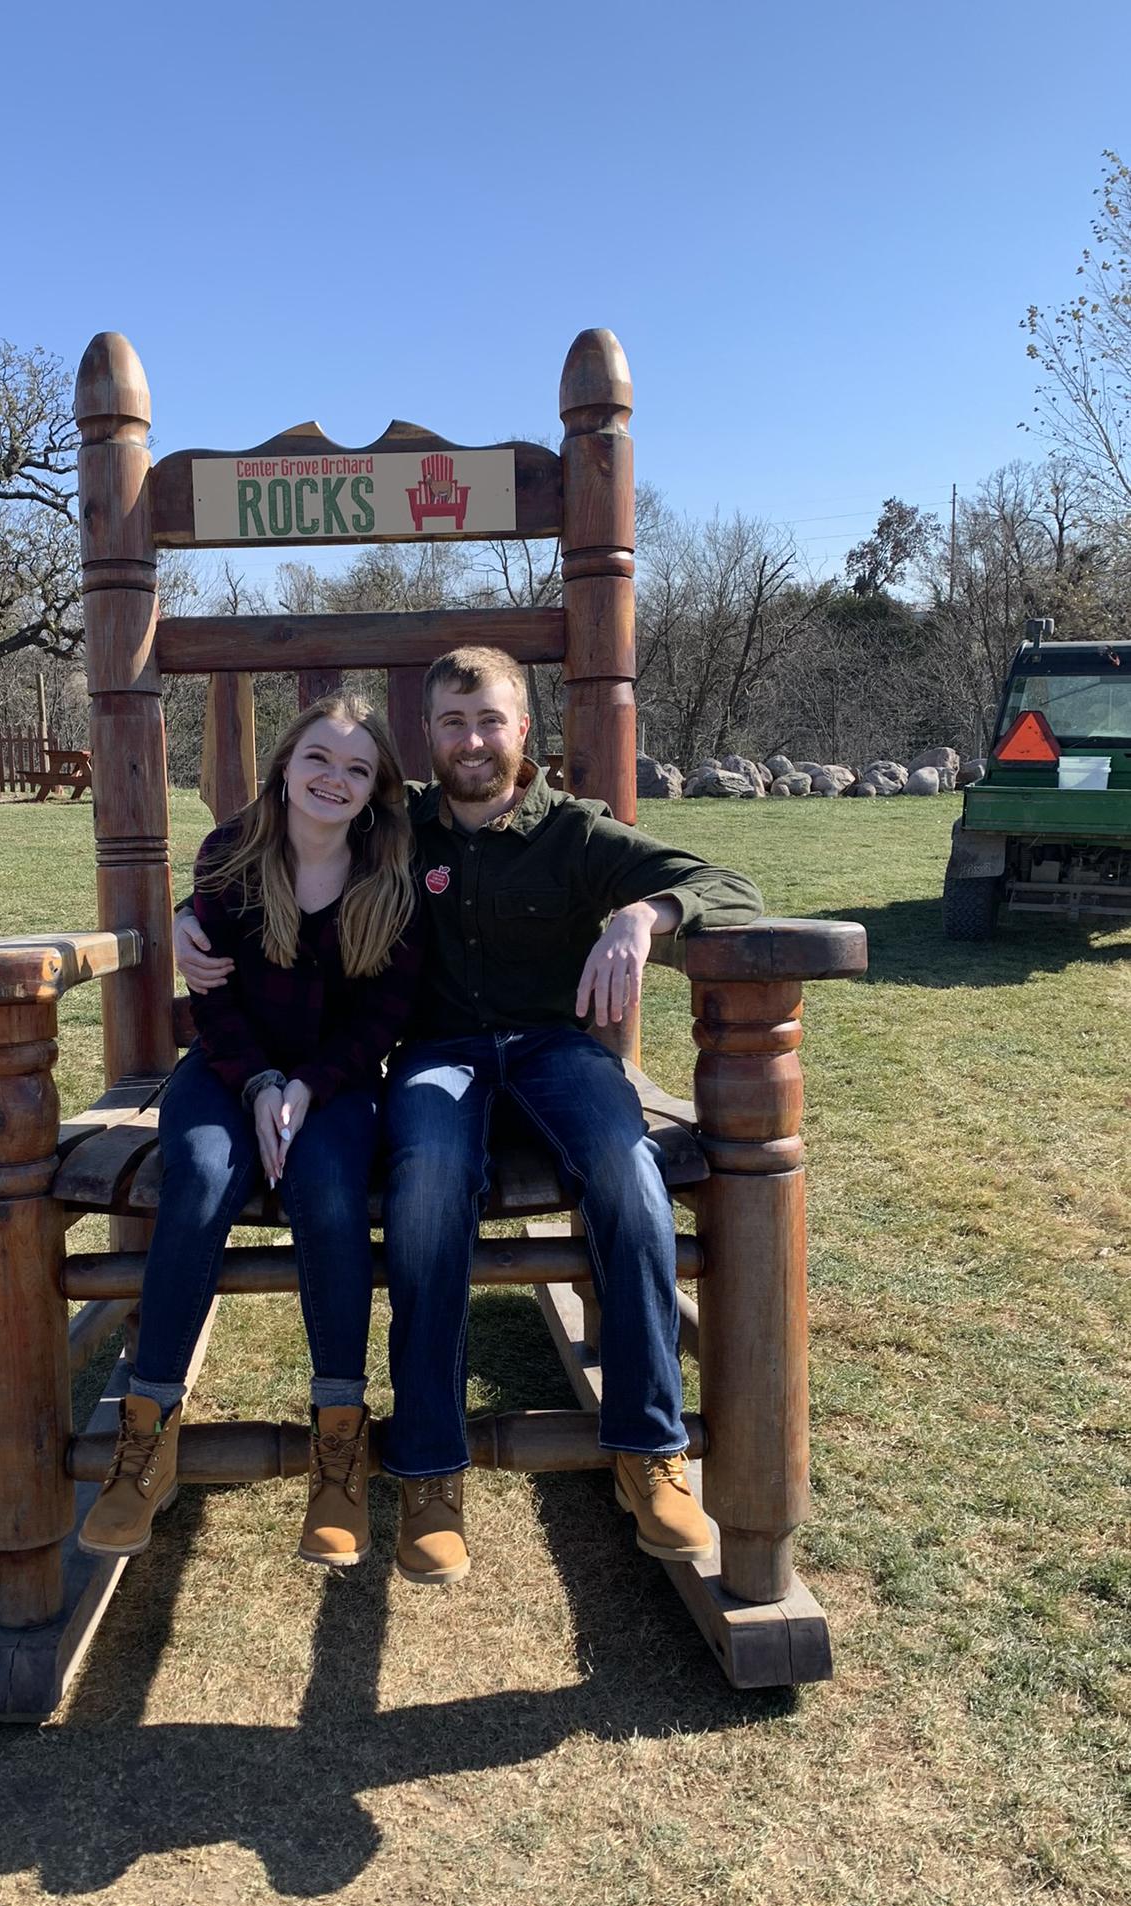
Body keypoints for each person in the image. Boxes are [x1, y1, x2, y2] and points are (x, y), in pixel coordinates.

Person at [176, 648, 763, 1585]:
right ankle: (429, 1469)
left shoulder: (575, 833)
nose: (472, 742)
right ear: (429, 739)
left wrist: (643, 917)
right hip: (437, 1058)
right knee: (427, 1191)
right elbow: (271, 840)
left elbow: (732, 885)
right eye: (452, 725)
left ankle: (649, 1452)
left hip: (558, 1052)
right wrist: (184, 913)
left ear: (523, 729)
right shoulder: (399, 823)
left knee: (631, 1175)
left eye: (489, 721)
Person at [81, 692, 420, 1570]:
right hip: (226, 1072)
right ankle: (148, 1431)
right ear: (284, 766)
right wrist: (264, 1082)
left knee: (332, 1191)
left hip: (338, 1083)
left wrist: (308, 1087)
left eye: (357, 768)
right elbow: (215, 999)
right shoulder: (231, 855)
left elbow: (382, 1016)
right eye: (318, 759)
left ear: (378, 788)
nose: (334, 779)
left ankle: (338, 1441)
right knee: (195, 1176)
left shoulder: (390, 870)